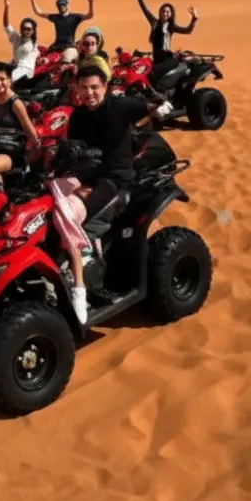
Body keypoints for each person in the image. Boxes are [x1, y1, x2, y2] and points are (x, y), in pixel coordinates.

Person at [49, 63, 171, 323]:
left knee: (75, 215)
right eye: (84, 88)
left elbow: (148, 108)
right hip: (87, 177)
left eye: (95, 87)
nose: (90, 92)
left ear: (105, 86)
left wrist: (160, 108)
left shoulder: (120, 106)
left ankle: (83, 280)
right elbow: (74, 150)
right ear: (77, 90)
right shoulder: (79, 116)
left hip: (117, 179)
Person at [130, 0, 198, 83]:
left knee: (154, 73)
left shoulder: (171, 27)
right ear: (160, 12)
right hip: (157, 59)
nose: (165, 13)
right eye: (163, 11)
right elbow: (145, 9)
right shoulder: (154, 22)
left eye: (167, 12)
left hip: (168, 59)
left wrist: (194, 19)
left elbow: (188, 30)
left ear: (170, 14)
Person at [28, 0, 93, 62]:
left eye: (63, 5)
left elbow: (89, 15)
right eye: (59, 5)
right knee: (41, 59)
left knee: (66, 60)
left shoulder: (75, 17)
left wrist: (91, 3)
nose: (61, 7)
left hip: (70, 47)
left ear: (67, 5)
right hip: (56, 46)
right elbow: (38, 12)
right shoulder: (55, 17)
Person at [2, 0, 39, 84]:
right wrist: (6, 7)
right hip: (16, 68)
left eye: (29, 29)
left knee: (5, 80)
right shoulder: (16, 38)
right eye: (24, 28)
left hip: (25, 70)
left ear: (33, 31)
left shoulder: (33, 45)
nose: (26, 31)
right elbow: (6, 25)